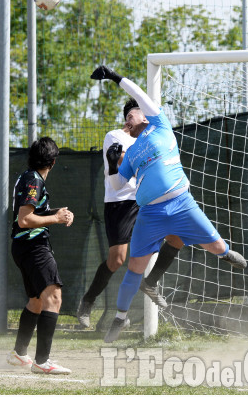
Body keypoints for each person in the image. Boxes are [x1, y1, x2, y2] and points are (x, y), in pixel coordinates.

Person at [90, 65, 247, 343]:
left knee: (218, 247)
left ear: (144, 112)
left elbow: (138, 93)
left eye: (131, 113)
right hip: (150, 214)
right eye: (125, 117)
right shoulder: (131, 151)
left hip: (182, 204)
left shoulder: (160, 125)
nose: (127, 119)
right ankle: (120, 318)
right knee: (134, 270)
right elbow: (116, 186)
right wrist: (112, 164)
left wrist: (115, 77)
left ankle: (225, 252)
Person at [76, 108, 184, 328]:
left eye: (135, 115)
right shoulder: (115, 136)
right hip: (121, 203)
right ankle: (87, 301)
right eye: (129, 116)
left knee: (177, 236)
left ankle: (150, 283)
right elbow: (127, 162)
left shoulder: (154, 136)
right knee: (117, 259)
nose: (130, 120)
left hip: (146, 199)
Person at [7, 137, 74, 375]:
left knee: (36, 301)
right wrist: (55, 219)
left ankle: (19, 353)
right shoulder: (34, 180)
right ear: (53, 162)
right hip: (33, 244)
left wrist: (58, 213)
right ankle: (42, 361)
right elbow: (25, 220)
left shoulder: (28, 177)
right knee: (53, 297)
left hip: (23, 246)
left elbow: (34, 212)